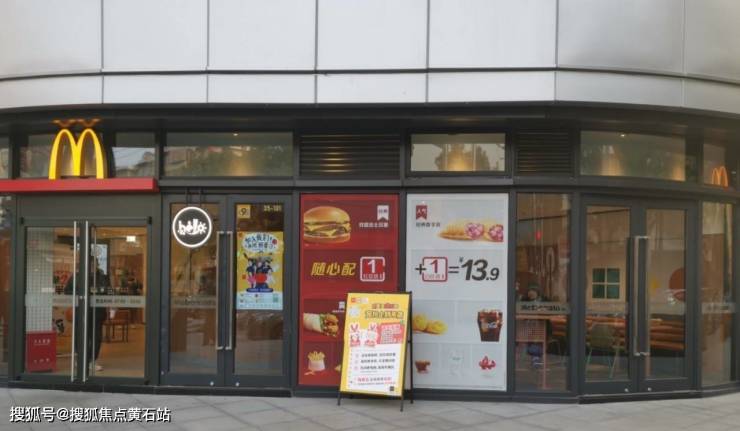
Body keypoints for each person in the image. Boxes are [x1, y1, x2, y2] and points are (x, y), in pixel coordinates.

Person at [65, 255, 110, 373]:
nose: (92, 266)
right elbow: (67, 291)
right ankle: (80, 359)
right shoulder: (76, 276)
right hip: (81, 311)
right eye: (90, 264)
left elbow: (109, 292)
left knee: (96, 337)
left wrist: (110, 306)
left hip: (97, 312)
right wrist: (80, 294)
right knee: (80, 336)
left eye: (94, 263)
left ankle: (91, 361)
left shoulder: (103, 277)